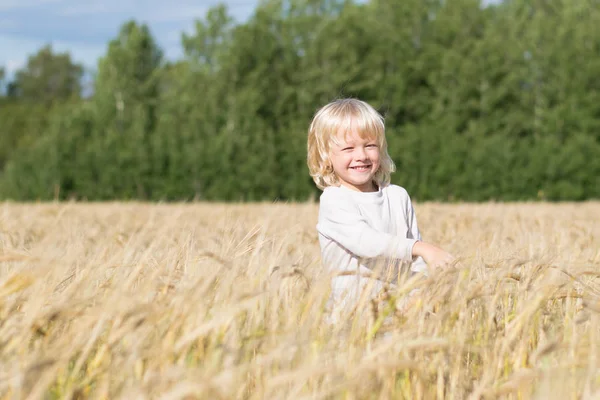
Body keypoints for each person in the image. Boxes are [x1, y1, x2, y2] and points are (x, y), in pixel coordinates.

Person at [307, 98, 454, 320]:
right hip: (351, 321)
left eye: (370, 145)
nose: (362, 156)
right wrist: (422, 248)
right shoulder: (334, 200)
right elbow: (366, 242)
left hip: (398, 318)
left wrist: (422, 293)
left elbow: (416, 261)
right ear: (326, 156)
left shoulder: (397, 196)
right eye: (348, 148)